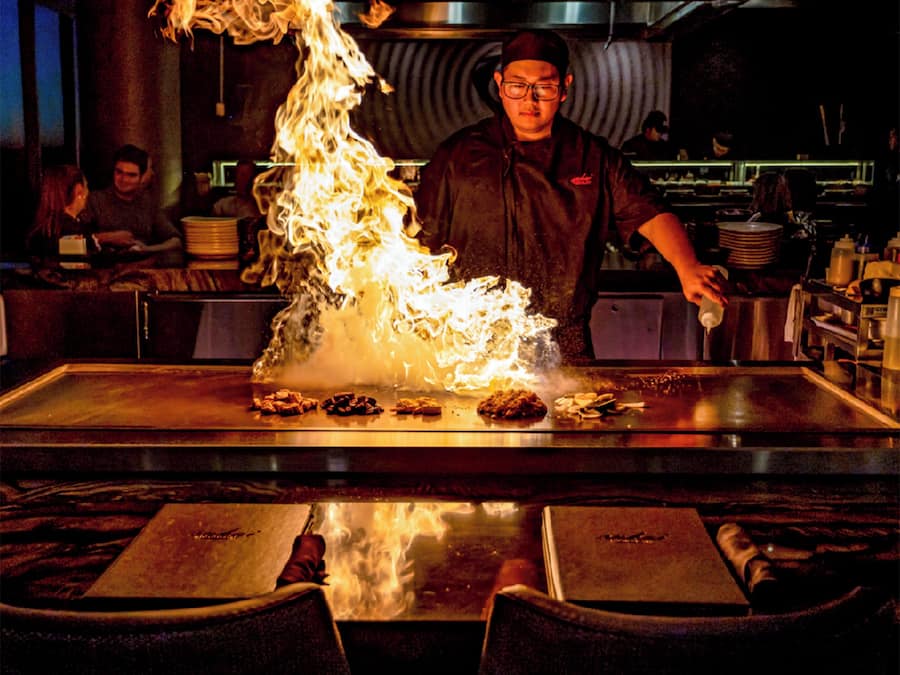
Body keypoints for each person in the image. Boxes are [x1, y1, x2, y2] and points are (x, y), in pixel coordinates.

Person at [414, 29, 725, 360]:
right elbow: (417, 236)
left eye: (544, 88)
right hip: (471, 340)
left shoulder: (592, 156)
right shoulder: (458, 155)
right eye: (517, 86)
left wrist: (687, 265)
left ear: (564, 87)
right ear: (500, 84)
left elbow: (648, 210)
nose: (529, 100)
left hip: (562, 341)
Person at [84, 144, 183, 257]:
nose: (123, 179)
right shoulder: (95, 200)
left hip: (143, 264)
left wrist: (147, 249)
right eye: (119, 172)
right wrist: (109, 237)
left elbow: (176, 241)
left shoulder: (147, 203)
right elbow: (74, 240)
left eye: (131, 175)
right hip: (104, 265)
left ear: (142, 178)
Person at [25, 165, 94, 258]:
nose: (88, 192)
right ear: (78, 190)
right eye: (86, 186)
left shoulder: (38, 232)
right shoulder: (76, 234)